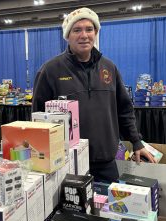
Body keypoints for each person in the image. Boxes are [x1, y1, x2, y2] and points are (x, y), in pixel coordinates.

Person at [32, 7, 155, 183]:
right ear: (67, 36)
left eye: (89, 29)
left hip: (106, 163)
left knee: (107, 210)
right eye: (77, 30)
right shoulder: (50, 70)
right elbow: (37, 119)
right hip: (67, 165)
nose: (84, 35)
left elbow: (124, 110)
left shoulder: (109, 68)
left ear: (96, 33)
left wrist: (136, 142)